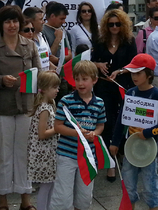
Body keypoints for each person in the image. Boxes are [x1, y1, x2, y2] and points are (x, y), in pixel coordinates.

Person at [0, 5, 41, 210]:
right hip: (1, 109)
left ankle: (26, 198)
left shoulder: (30, 46)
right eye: (7, 21)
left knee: (25, 154)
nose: (12, 25)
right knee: (3, 155)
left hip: (26, 108)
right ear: (1, 25)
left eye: (15, 21)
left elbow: (39, 75)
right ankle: (3, 200)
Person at [109, 54, 158, 210]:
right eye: (132, 72)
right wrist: (115, 142)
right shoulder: (130, 93)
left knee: (150, 186)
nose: (134, 76)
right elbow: (121, 120)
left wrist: (149, 133)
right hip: (131, 148)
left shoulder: (156, 94)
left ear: (149, 74)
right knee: (128, 185)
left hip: (150, 149)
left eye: (138, 73)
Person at [52, 61, 106, 210]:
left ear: (94, 80)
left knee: (84, 198)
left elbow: (101, 125)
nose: (80, 83)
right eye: (77, 79)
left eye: (85, 79)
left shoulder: (99, 103)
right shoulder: (66, 101)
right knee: (63, 196)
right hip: (67, 154)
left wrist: (95, 133)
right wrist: (77, 133)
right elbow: (58, 126)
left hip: (88, 157)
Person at [92, 8, 136, 181]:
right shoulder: (100, 41)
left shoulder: (129, 41)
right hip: (103, 87)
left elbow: (134, 63)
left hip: (122, 85)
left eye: (118, 24)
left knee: (125, 120)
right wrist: (98, 64)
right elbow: (90, 60)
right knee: (107, 121)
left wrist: (119, 71)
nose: (114, 27)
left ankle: (123, 153)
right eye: (111, 24)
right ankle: (110, 161)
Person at [27, 71, 61, 210]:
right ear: (45, 88)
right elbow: (42, 133)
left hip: (48, 152)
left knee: (50, 185)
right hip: (44, 154)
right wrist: (58, 129)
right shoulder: (44, 108)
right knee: (46, 187)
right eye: (54, 87)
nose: (57, 90)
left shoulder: (49, 104)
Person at [23, 7, 52, 72]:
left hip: (45, 80)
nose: (43, 22)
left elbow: (46, 60)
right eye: (41, 19)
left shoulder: (42, 36)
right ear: (31, 21)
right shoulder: (24, 40)